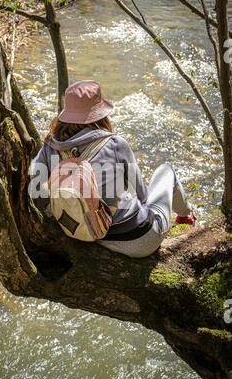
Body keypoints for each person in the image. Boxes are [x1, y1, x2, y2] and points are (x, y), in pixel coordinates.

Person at [29, 80, 197, 259]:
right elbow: (142, 195)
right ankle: (186, 216)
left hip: (86, 234)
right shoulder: (115, 144)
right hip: (139, 241)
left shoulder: (50, 146)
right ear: (100, 115)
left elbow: (35, 192)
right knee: (166, 170)